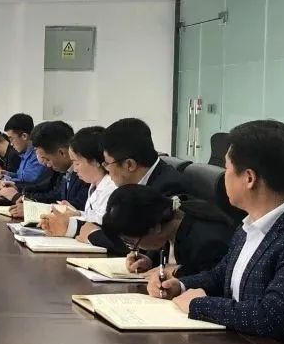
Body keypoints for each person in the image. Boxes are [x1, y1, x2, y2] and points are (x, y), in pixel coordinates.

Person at [154, 120, 284, 344]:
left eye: (227, 169)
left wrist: (199, 304)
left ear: (249, 178)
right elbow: (222, 275)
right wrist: (180, 284)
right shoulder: (251, 224)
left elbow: (271, 316)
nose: (223, 177)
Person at [86, 118, 186, 254]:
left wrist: (93, 234)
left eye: (107, 163)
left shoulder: (167, 187)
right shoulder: (145, 183)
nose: (106, 170)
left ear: (129, 164)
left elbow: (148, 242)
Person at [101, 184, 233, 278]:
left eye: (132, 243)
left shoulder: (206, 243)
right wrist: (150, 261)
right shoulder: (169, 214)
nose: (136, 249)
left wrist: (177, 272)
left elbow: (214, 280)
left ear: (155, 228)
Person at [37, 126, 117, 238]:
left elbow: (102, 225)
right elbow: (93, 216)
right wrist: (76, 213)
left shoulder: (111, 188)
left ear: (95, 161)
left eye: (77, 163)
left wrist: (71, 220)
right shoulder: (94, 185)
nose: (74, 169)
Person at [20, 121, 88, 209]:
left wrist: (31, 208)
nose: (47, 165)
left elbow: (76, 208)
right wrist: (30, 200)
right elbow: (56, 196)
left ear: (62, 153)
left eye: (47, 159)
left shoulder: (84, 174)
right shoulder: (65, 171)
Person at [0, 113, 49, 195]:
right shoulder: (25, 154)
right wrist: (7, 174)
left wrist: (0, 184)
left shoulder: (37, 156)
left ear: (24, 136)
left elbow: (29, 183)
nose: (11, 144)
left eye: (11, 139)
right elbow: (20, 176)